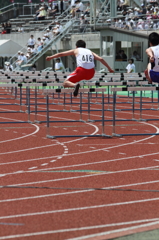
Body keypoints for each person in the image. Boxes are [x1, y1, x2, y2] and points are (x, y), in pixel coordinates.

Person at [46, 39, 114, 96]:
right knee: (81, 76)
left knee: (65, 83)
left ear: (76, 46)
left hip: (81, 71)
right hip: (91, 73)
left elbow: (61, 54)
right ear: (85, 46)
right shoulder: (90, 51)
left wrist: (51, 57)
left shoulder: (76, 50)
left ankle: (75, 85)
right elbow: (101, 59)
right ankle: (76, 84)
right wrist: (109, 68)